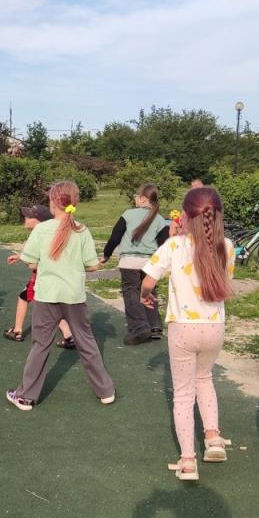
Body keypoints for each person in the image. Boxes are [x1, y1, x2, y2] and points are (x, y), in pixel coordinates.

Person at [140, 186, 235, 481]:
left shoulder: (174, 246)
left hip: (183, 327)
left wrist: (145, 296)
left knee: (183, 394)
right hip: (214, 327)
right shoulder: (227, 246)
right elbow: (226, 281)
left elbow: (148, 280)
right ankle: (213, 438)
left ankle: (188, 461)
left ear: (183, 215)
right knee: (205, 378)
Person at [5, 182, 115, 411]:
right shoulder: (82, 230)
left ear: (53, 202)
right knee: (87, 342)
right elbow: (92, 265)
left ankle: (25, 396)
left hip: (47, 294)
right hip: (74, 295)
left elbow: (31, 262)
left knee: (40, 345)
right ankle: (106, 391)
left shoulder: (41, 230)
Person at [100, 183, 170, 345]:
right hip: (150, 263)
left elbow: (115, 236)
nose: (135, 200)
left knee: (131, 293)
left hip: (129, 262)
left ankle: (139, 327)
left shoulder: (128, 214)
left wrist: (106, 254)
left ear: (143, 199)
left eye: (136, 197)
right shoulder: (160, 219)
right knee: (149, 291)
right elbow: (164, 244)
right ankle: (154, 326)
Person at [3, 204, 75, 348]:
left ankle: (17, 331)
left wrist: (27, 261)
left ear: (38, 221)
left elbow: (35, 261)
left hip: (42, 277)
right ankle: (69, 336)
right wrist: (21, 257)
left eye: (29, 217)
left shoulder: (40, 233)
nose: (25, 218)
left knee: (25, 298)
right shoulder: (49, 233)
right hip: (53, 276)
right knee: (52, 305)